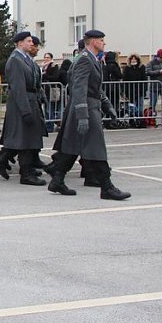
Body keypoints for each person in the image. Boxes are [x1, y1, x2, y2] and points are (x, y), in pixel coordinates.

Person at [47, 30, 130, 199]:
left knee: (72, 147)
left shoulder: (92, 59)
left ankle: (57, 179)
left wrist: (108, 107)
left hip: (89, 107)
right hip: (85, 108)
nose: (104, 43)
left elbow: (96, 88)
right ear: (92, 41)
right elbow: (79, 88)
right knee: (95, 147)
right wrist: (83, 115)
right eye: (101, 40)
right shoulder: (85, 60)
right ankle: (107, 187)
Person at [0, 32, 47, 186]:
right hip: (22, 103)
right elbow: (18, 87)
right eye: (28, 41)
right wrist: (25, 110)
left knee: (27, 139)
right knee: (25, 140)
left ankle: (2, 161)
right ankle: (26, 174)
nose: (31, 44)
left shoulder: (24, 59)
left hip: (30, 101)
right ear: (20, 43)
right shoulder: (15, 60)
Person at [122, 54, 147, 122]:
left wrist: (144, 90)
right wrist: (124, 92)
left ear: (138, 60)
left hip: (140, 91)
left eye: (135, 59)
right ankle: (132, 120)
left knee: (140, 107)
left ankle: (140, 121)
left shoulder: (141, 67)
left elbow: (145, 79)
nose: (133, 60)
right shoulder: (127, 68)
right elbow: (124, 80)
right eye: (132, 59)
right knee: (132, 107)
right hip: (130, 92)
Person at [41, 52, 62, 131]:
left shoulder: (54, 66)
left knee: (50, 109)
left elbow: (55, 77)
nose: (46, 59)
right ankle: (47, 124)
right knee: (46, 108)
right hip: (45, 90)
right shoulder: (43, 67)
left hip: (51, 90)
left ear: (51, 58)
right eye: (45, 57)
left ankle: (50, 126)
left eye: (48, 57)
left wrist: (45, 76)